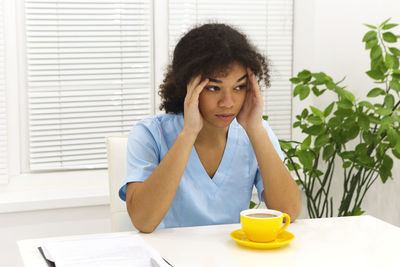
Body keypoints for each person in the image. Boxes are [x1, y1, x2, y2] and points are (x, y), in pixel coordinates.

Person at [119, 23, 301, 233]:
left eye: (239, 87)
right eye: (214, 88)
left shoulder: (256, 132)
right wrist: (188, 134)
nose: (228, 102)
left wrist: (256, 130)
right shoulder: (149, 134)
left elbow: (289, 212)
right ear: (187, 86)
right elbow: (143, 221)